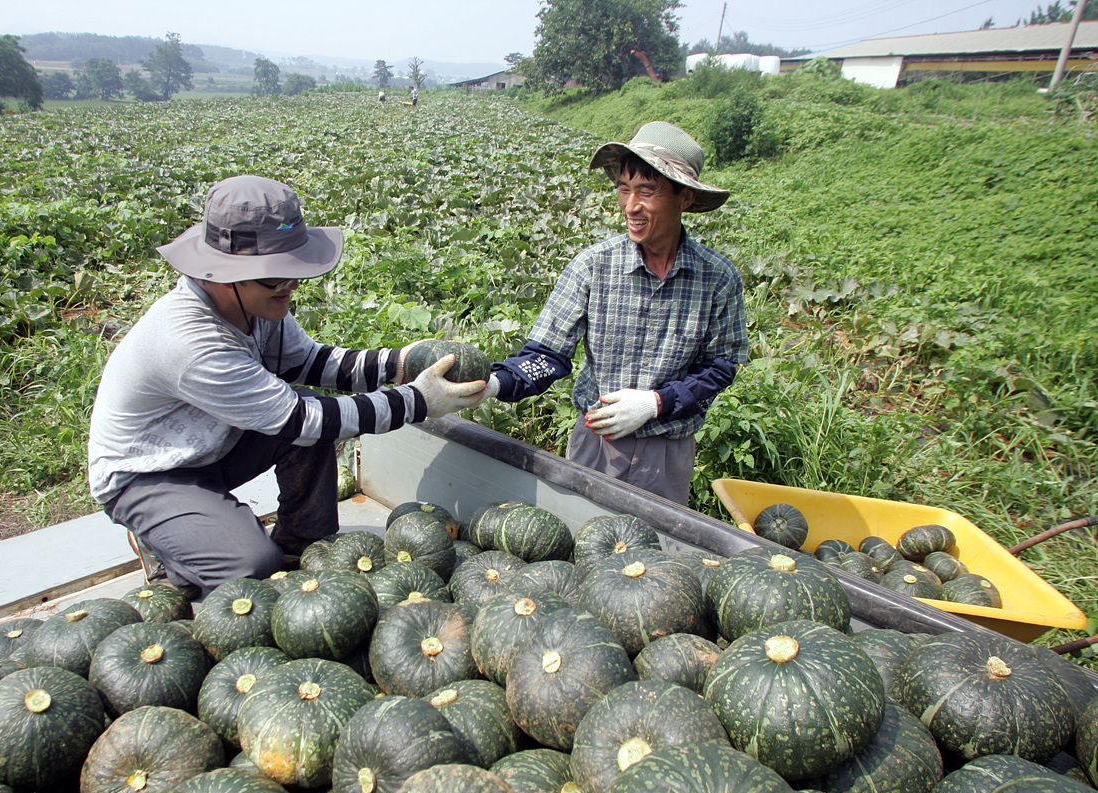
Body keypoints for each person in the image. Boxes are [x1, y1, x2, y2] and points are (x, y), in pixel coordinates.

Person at [88, 175, 486, 600]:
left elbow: (314, 363)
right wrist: (417, 402)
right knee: (248, 565)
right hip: (150, 473)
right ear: (225, 276)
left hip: (213, 445)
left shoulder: (257, 305)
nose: (291, 286)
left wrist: (399, 362)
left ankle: (302, 547)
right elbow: (302, 421)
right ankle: (166, 544)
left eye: (294, 272)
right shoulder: (189, 341)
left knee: (312, 414)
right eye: (276, 278)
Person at [483, 121, 748, 506]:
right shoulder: (593, 266)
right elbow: (547, 356)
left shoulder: (717, 278)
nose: (630, 206)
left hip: (667, 454)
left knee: (654, 555)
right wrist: (494, 384)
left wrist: (656, 403)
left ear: (685, 197)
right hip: (597, 441)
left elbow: (720, 366)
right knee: (581, 543)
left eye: (647, 191)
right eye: (624, 189)